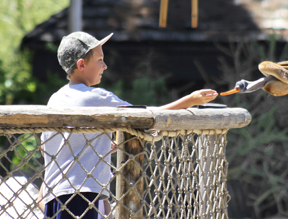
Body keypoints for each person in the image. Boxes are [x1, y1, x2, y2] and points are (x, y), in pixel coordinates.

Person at [40, 31, 218, 219]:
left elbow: (49, 147)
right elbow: (146, 116)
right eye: (100, 60)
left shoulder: (56, 99)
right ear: (81, 64)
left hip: (55, 195)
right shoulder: (97, 97)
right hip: (82, 195)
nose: (105, 66)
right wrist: (190, 100)